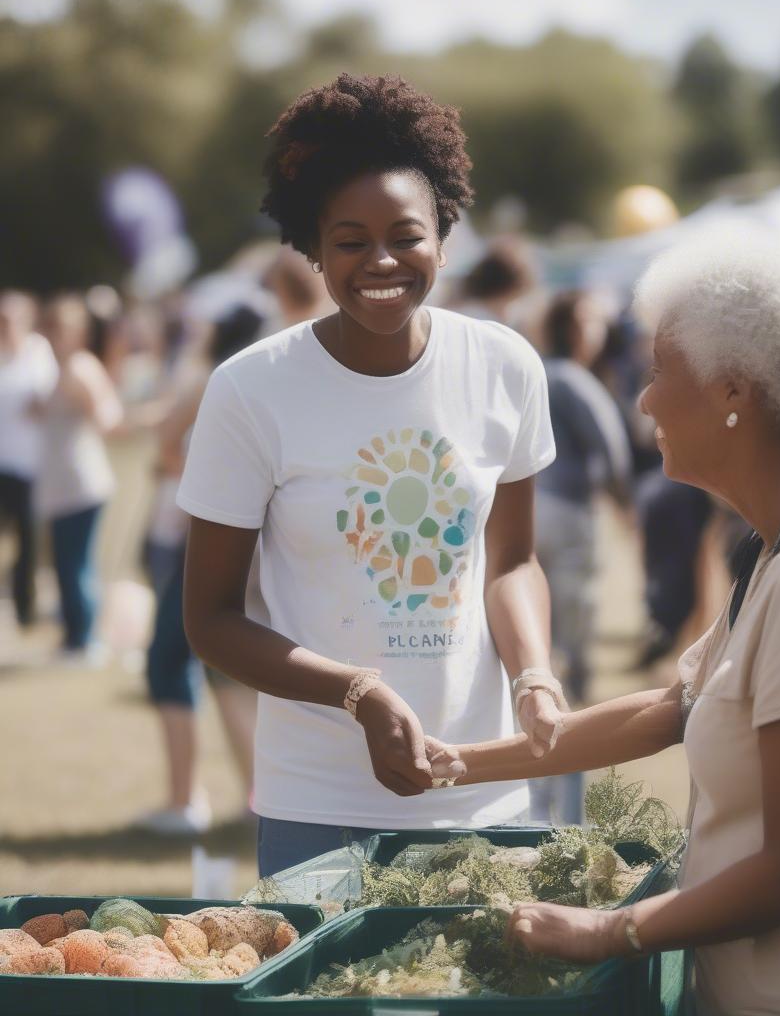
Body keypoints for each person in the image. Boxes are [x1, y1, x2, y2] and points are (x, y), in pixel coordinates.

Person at [426, 232, 780, 1016]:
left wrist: (609, 931)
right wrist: (452, 764)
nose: (644, 399)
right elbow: (671, 711)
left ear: (734, 391)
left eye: (659, 372)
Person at [176, 73, 564, 878]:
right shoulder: (251, 391)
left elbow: (514, 561)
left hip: (482, 791)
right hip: (318, 807)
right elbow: (210, 619)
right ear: (313, 248)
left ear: (444, 239)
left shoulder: (504, 367)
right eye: (350, 240)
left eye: (406, 235)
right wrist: (360, 692)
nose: (381, 259)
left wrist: (533, 675)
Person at [133, 305, 265, 835]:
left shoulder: (220, 376)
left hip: (210, 540)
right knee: (237, 670)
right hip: (266, 545)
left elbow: (166, 436)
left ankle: (186, 798)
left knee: (173, 659)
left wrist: (195, 482)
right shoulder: (279, 375)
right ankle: (257, 794)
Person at [529, 290, 631, 825]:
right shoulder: (574, 379)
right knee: (570, 664)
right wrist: (625, 505)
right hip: (568, 515)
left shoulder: (533, 371)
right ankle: (567, 809)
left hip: (525, 516)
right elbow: (612, 447)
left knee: (535, 660)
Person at [35, 294, 123, 662]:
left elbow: (107, 417)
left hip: (80, 480)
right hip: (63, 483)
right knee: (66, 563)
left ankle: (85, 640)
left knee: (76, 564)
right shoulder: (63, 366)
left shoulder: (79, 368)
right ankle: (74, 636)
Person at [0, 291, 56, 629]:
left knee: (28, 541)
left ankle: (25, 608)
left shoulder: (37, 352)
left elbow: (45, 401)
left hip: (28, 465)